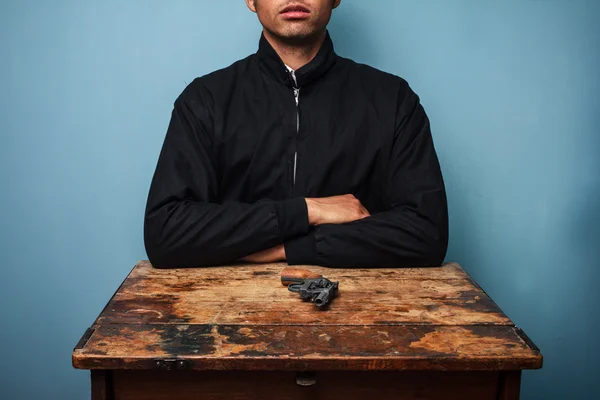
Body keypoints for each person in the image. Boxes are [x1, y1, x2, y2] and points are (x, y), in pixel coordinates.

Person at [143, 0, 448, 268]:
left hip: (366, 315)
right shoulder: (205, 99)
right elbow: (165, 232)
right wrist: (307, 210)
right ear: (251, 0)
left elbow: (426, 232)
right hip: (224, 317)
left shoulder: (392, 99)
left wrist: (290, 249)